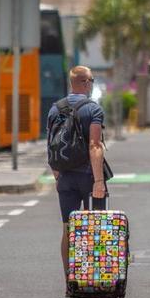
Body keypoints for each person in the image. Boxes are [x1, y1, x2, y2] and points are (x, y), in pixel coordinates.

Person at [48, 66, 107, 285]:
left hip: (64, 177)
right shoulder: (93, 110)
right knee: (95, 227)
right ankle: (93, 279)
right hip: (88, 177)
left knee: (67, 228)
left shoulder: (55, 109)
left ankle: (70, 283)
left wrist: (58, 177)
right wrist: (99, 180)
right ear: (84, 82)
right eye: (91, 80)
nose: (91, 84)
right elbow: (95, 145)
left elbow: (51, 147)